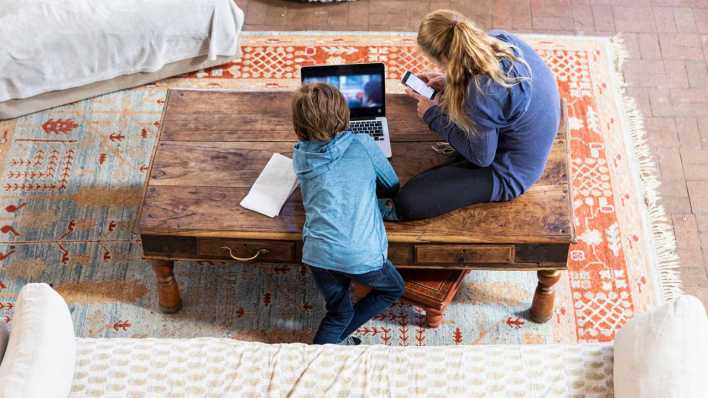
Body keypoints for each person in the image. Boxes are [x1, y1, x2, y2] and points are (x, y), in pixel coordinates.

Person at [389, 9, 561, 221]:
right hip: (525, 135)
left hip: (509, 170)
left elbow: (482, 158)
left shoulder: (482, 94)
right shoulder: (500, 38)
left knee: (408, 202)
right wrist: (448, 81)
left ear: (443, 57)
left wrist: (432, 115)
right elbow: (485, 85)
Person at [291, 83, 405, 345]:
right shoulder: (362, 144)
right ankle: (332, 344)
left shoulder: (300, 156)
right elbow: (392, 184)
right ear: (345, 115)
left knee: (338, 312)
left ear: (298, 127)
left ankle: (322, 354)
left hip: (318, 254)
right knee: (394, 288)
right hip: (363, 256)